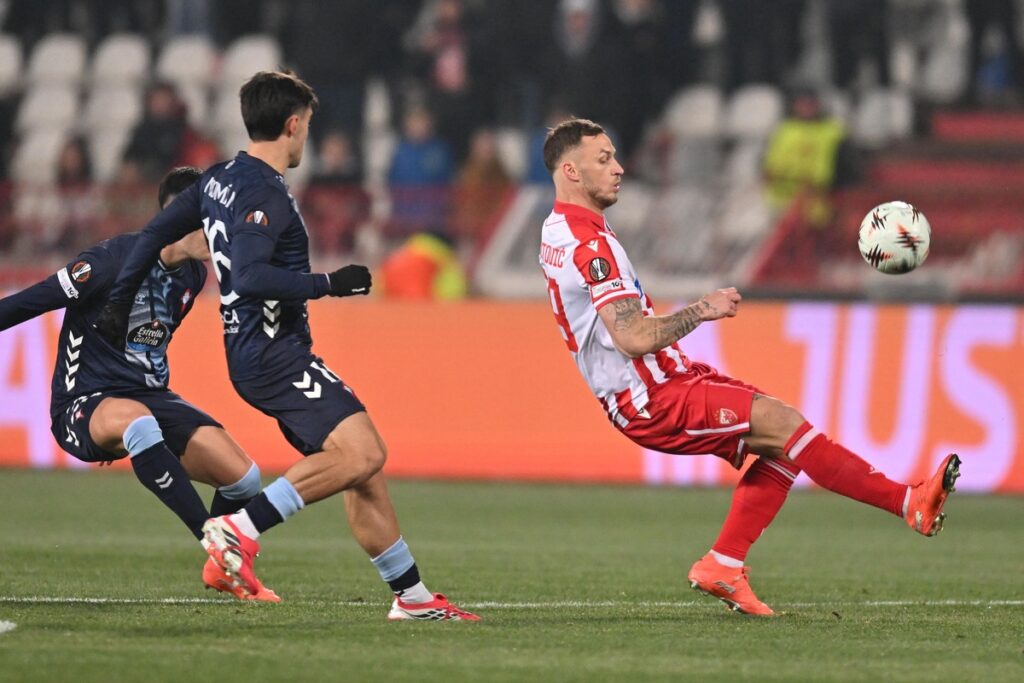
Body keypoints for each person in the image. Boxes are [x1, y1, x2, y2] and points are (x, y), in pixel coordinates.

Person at [92, 71, 479, 621]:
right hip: (273, 352)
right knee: (365, 451)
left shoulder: (219, 178)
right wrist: (330, 284)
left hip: (257, 351)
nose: (307, 138)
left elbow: (155, 233)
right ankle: (239, 530)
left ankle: (412, 598)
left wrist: (117, 300)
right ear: (293, 125)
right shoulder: (263, 194)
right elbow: (248, 277)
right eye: (308, 127)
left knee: (358, 467)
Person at [537, 118, 961, 616]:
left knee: (787, 443)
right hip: (650, 395)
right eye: (604, 159)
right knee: (787, 427)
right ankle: (906, 503)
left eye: (615, 156)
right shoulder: (590, 245)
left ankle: (723, 564)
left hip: (667, 378)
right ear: (570, 170)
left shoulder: (561, 228)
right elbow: (631, 338)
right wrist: (704, 309)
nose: (619, 168)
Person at [0, 167, 277, 602]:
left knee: (244, 478)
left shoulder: (193, 276)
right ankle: (216, 542)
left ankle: (220, 570)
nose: (218, 230)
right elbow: (26, 303)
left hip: (146, 397)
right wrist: (114, 425)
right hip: (84, 400)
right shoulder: (108, 262)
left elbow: (149, 340)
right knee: (139, 422)